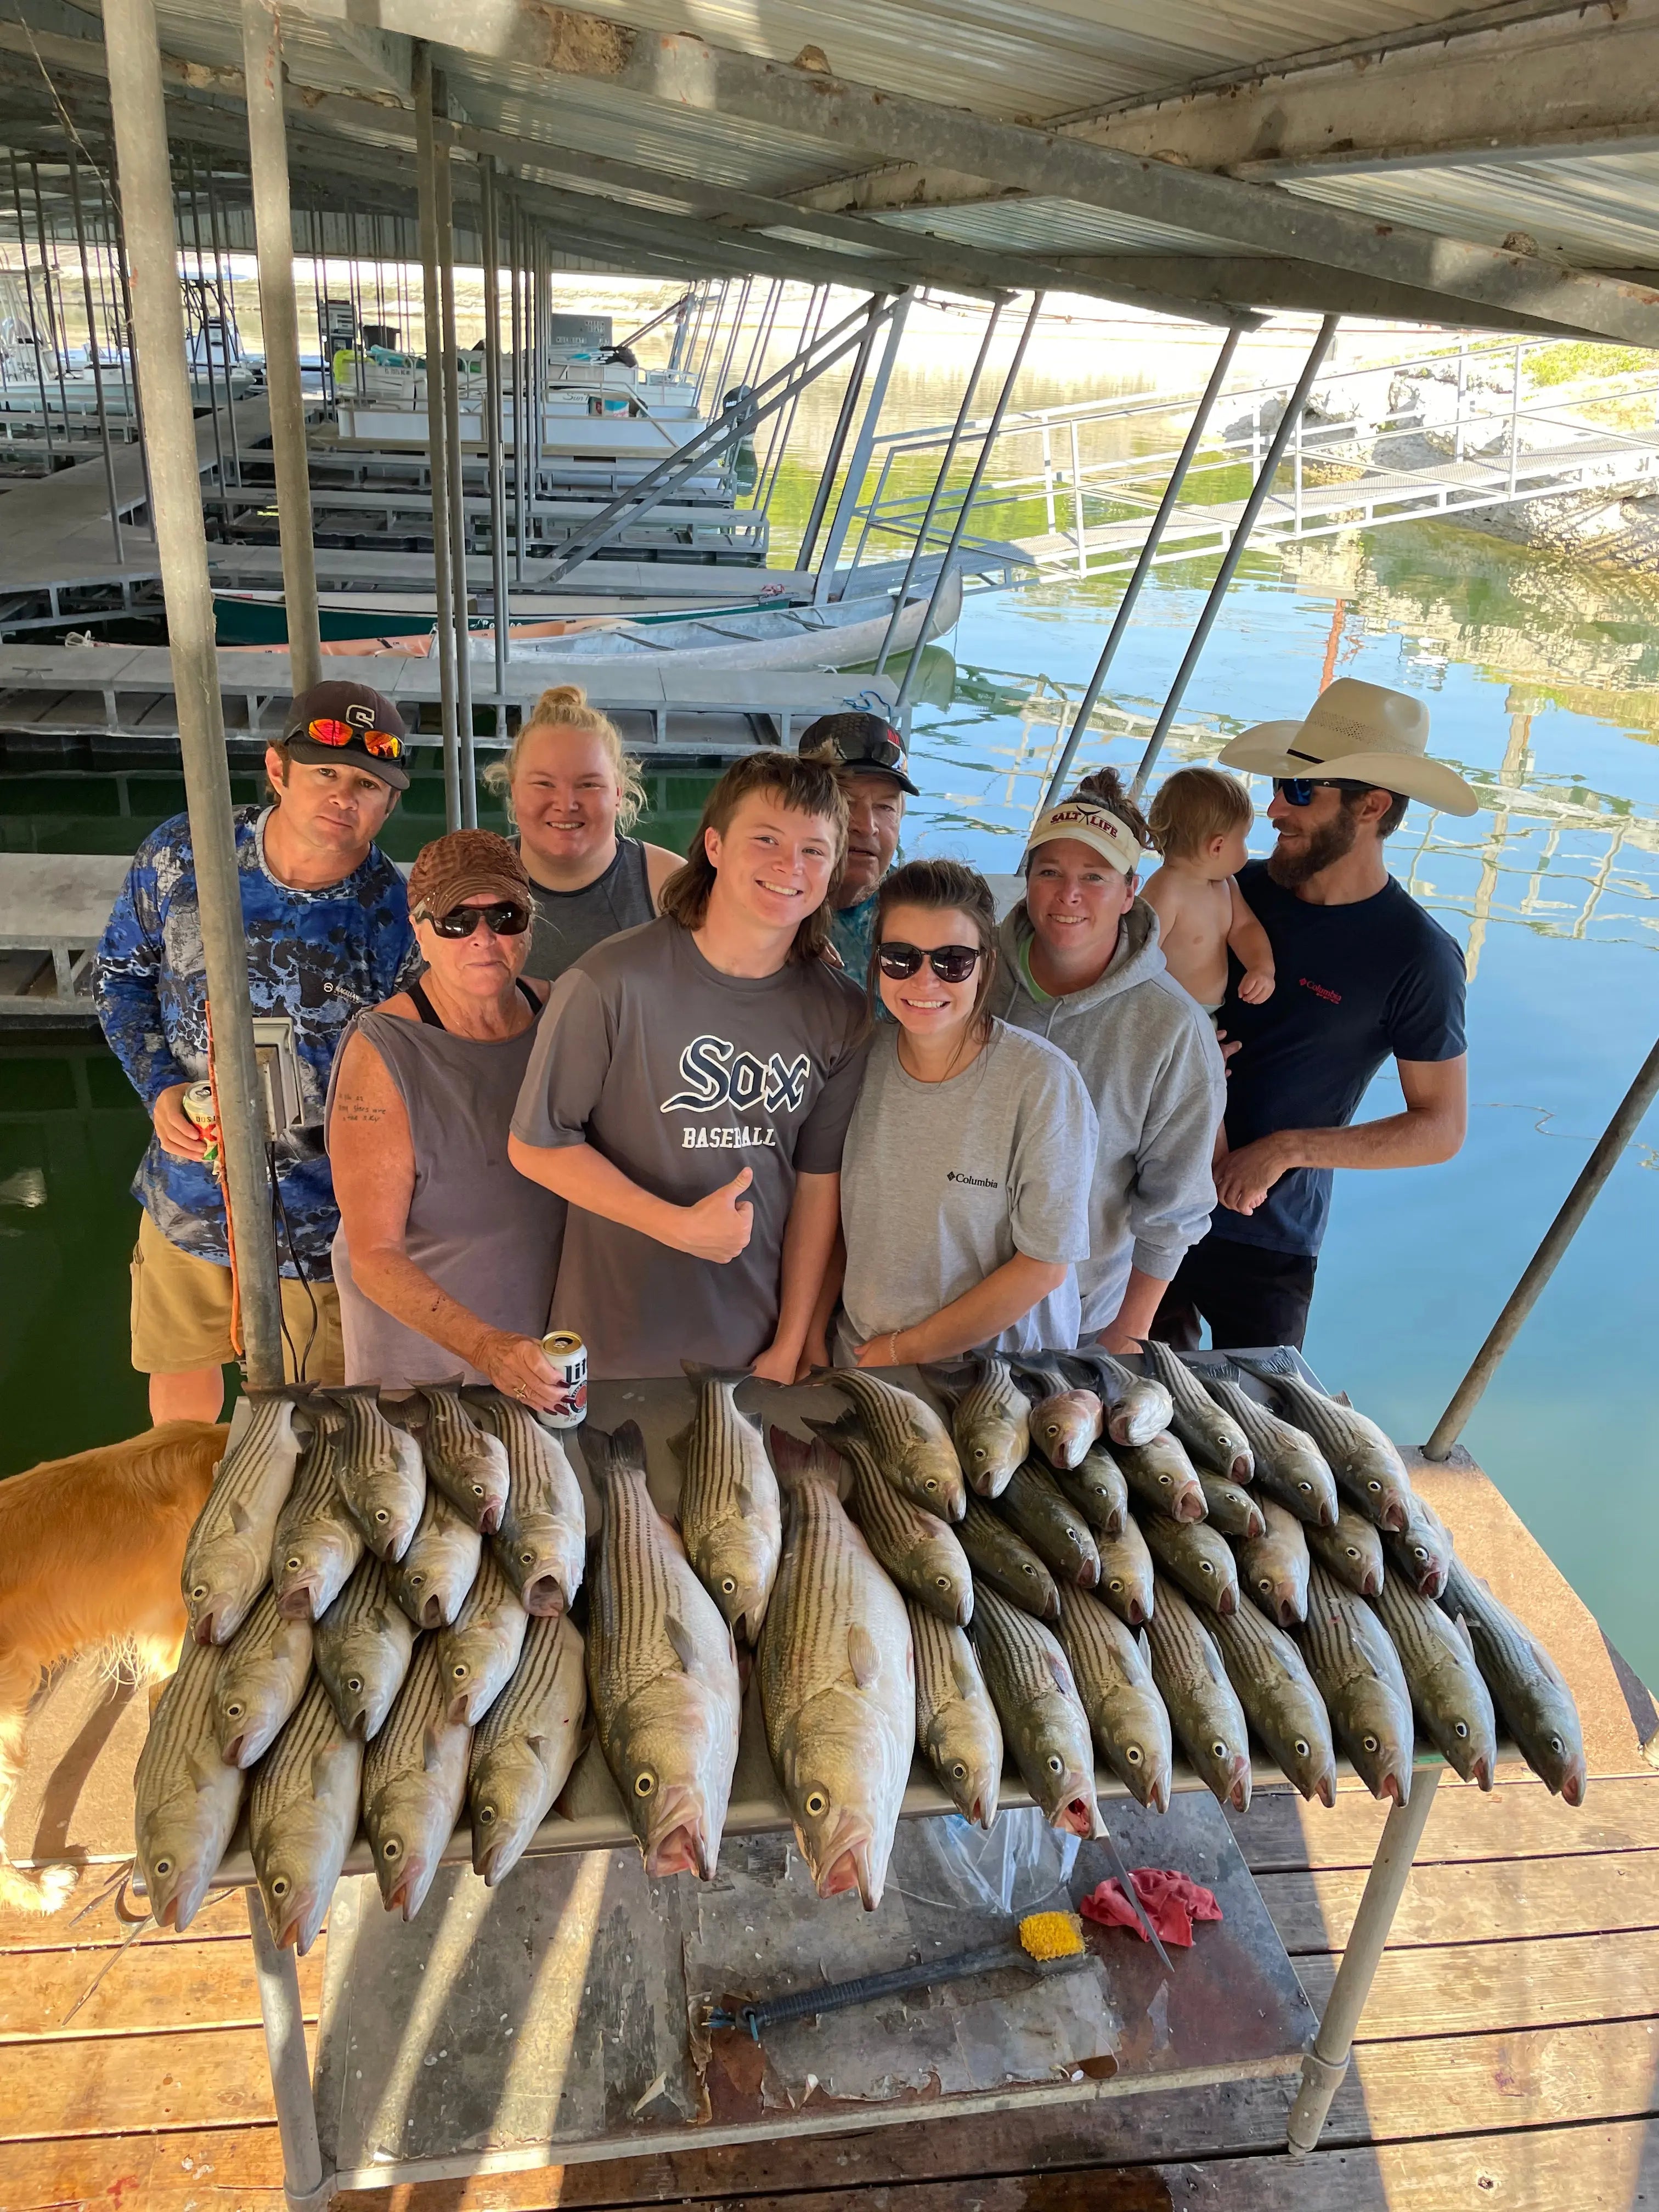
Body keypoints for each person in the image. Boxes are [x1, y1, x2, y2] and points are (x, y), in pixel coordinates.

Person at [94, 680, 419, 1423]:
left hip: (324, 1225)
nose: (344, 798)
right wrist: (158, 1089)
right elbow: (119, 980)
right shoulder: (183, 854)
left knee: (323, 1421)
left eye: (367, 785)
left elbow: (416, 1077)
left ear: (389, 803)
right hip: (190, 1199)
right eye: (325, 773)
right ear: (277, 769)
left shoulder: (400, 921)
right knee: (181, 1403)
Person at [509, 751, 867, 1381]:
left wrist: (792, 1343)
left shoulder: (842, 1012)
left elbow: (819, 1187)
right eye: (766, 839)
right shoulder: (607, 982)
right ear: (715, 845)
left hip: (756, 1352)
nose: (791, 866)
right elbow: (535, 1146)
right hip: (614, 1347)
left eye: (815, 850)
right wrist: (675, 1226)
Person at [1152, 678, 1472, 1353]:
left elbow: (1441, 1129)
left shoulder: (1418, 956)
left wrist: (1287, 1150)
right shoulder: (1222, 886)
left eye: (1300, 792)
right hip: (1147, 1196)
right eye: (1278, 786)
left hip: (1269, 1235)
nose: (1272, 809)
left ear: (1372, 807)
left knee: (1262, 1438)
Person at [326, 831, 570, 1409]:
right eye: (457, 921)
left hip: (552, 1361)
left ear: (529, 923)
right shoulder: (380, 1049)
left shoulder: (564, 1012)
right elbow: (374, 1258)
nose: (484, 939)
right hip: (427, 1379)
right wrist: (488, 1349)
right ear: (420, 930)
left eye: (505, 916)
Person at [987, 771, 1226, 1355]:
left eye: (1094, 878)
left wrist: (1128, 1335)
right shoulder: (971, 974)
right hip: (947, 1293)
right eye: (1050, 873)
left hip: (1081, 1318)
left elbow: (1177, 1207)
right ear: (1027, 881)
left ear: (1129, 892)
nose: (1069, 895)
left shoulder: (1174, 1027)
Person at [834, 859, 1097, 1366]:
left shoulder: (1043, 1082)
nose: (925, 981)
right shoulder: (858, 1060)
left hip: (1002, 1376)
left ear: (985, 965)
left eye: (952, 961)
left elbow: (1044, 1266)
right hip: (862, 1360)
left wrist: (903, 1350)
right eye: (900, 958)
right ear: (876, 962)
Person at [483, 684, 680, 984]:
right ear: (514, 790)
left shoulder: (670, 887)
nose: (566, 805)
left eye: (589, 785)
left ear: (618, 793)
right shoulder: (475, 881)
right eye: (544, 784)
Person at [1143, 766, 1276, 1016]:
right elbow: (1138, 961)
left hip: (1204, 1014)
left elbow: (1244, 927)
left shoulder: (1225, 884)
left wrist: (1261, 968)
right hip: (1165, 1014)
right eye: (1244, 839)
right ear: (1218, 846)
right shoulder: (1167, 891)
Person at [797, 710, 918, 978]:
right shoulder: (763, 900)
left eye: (885, 807)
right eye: (846, 803)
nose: (867, 825)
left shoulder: (919, 909)